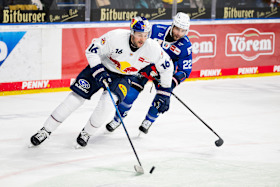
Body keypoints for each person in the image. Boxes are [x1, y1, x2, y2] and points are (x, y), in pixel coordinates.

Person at [30, 16, 174, 147]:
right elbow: (92, 51)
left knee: (108, 104)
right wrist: (99, 71)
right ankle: (45, 130)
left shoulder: (153, 48)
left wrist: (164, 93)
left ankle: (86, 133)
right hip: (101, 68)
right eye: (138, 35)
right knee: (75, 99)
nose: (142, 39)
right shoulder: (115, 37)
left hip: (124, 77)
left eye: (145, 35)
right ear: (132, 32)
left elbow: (167, 67)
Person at [106, 12, 192, 134]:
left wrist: (171, 84)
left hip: (164, 74)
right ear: (172, 25)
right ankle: (117, 119)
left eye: (183, 31)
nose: (179, 33)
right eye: (177, 29)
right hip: (144, 66)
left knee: (161, 101)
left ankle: (149, 120)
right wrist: (145, 66)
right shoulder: (156, 29)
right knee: (129, 95)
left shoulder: (186, 46)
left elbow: (185, 70)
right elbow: (139, 44)